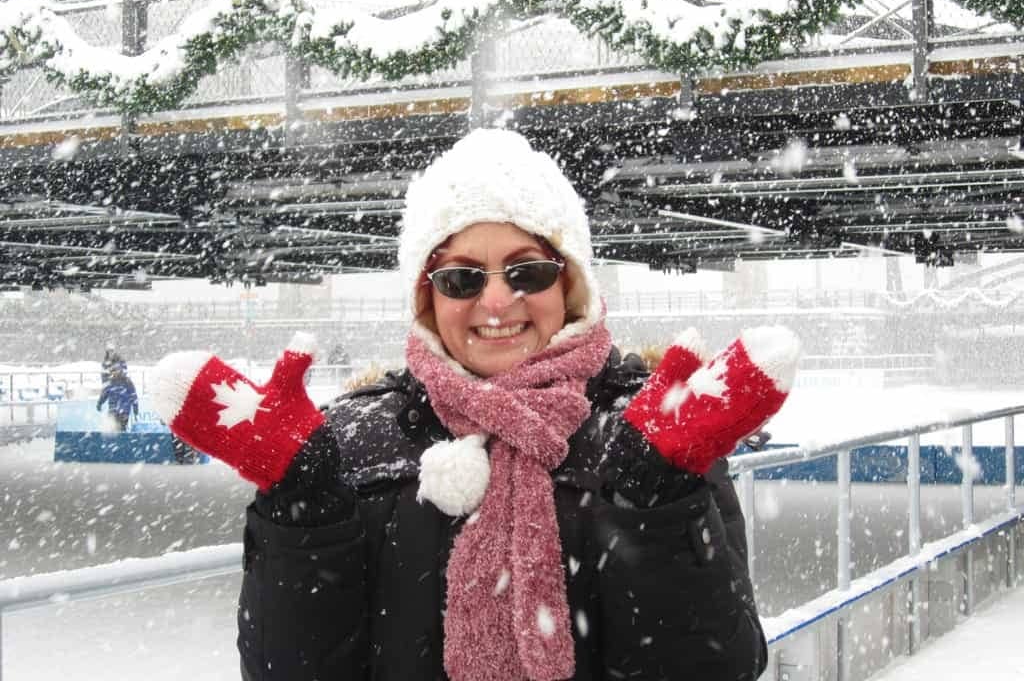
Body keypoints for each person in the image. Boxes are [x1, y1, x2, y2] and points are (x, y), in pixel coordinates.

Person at [151, 129, 800, 681]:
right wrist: (302, 511)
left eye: (528, 272)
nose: (496, 302)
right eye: (462, 278)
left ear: (568, 282)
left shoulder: (653, 428)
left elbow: (717, 668)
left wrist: (651, 505)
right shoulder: (350, 439)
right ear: (426, 296)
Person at [96, 364, 139, 433]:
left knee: (121, 429)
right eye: (113, 372)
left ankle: (121, 440)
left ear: (120, 371)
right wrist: (99, 403)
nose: (114, 373)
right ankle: (115, 441)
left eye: (116, 371)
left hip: (124, 411)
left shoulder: (127, 382)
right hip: (113, 410)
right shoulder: (110, 382)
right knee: (112, 429)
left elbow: (133, 395)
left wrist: (135, 408)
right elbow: (104, 394)